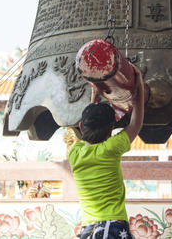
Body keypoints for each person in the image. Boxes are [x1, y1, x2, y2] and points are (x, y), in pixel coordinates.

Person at [69, 65, 145, 239]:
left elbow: (87, 130)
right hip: (113, 228)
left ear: (81, 126)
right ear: (111, 129)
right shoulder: (110, 149)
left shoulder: (75, 153)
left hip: (88, 229)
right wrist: (139, 86)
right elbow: (136, 124)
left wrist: (94, 97)